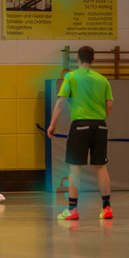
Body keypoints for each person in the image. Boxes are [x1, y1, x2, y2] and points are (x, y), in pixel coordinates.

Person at [47, 46, 114, 220]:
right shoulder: (102, 80)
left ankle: (72, 210)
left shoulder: (71, 77)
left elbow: (61, 103)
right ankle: (107, 208)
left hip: (80, 126)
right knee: (101, 166)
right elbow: (109, 105)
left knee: (75, 168)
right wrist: (101, 120)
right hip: (100, 126)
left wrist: (52, 125)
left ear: (77, 58)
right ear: (93, 60)